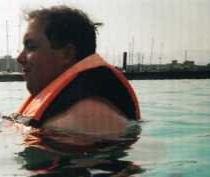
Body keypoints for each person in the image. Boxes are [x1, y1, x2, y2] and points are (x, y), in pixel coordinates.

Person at [12, 6, 141, 136]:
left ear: (66, 54)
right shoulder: (68, 115)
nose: (19, 58)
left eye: (31, 47)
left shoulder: (84, 118)